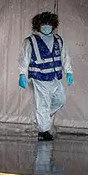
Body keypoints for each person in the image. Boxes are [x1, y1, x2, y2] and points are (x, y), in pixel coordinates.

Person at [18, 11, 73, 141]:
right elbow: (23, 59)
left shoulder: (58, 39)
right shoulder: (30, 41)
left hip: (55, 77)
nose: (47, 27)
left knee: (60, 100)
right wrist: (22, 74)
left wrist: (69, 71)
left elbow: (65, 56)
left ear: (53, 25)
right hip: (39, 77)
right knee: (42, 104)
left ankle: (41, 120)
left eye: (49, 24)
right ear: (38, 25)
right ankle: (43, 132)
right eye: (44, 24)